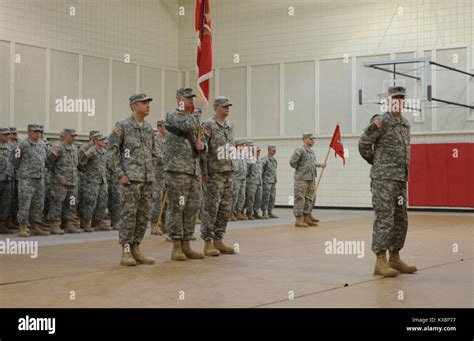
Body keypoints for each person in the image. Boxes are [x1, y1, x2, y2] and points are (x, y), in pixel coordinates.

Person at [358, 86, 417, 277]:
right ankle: (380, 261)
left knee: (400, 219)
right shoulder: (381, 121)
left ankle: (395, 257)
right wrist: (376, 162)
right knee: (384, 218)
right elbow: (364, 143)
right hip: (383, 179)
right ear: (390, 101)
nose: (399, 102)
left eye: (402, 99)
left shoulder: (405, 124)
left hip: (400, 179)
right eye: (395, 99)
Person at [108, 93, 156, 266]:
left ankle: (136, 248)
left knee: (143, 216)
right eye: (144, 103)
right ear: (134, 106)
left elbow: (154, 153)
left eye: (148, 102)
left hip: (147, 180)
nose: (148, 105)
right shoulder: (122, 126)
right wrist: (120, 174)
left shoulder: (149, 128)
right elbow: (111, 152)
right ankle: (126, 251)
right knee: (129, 216)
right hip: (130, 180)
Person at [164, 88, 206, 261]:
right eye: (188, 98)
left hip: (192, 170)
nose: (191, 101)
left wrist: (203, 147)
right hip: (177, 170)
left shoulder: (194, 119)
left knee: (191, 209)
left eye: (192, 98)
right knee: (177, 208)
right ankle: (176, 246)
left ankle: (187, 244)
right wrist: (199, 110)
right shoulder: (173, 116)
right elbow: (187, 124)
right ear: (179, 99)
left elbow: (200, 139)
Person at [200, 96, 236, 256]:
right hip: (214, 173)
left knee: (225, 208)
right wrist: (204, 171)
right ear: (216, 108)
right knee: (211, 208)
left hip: (228, 171)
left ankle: (218, 239)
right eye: (224, 106)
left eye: (228, 106)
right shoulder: (209, 125)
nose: (227, 108)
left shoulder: (229, 125)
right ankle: (208, 242)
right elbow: (203, 149)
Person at [12, 124, 49, 237]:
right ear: (28, 132)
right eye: (35, 131)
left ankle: (35, 226)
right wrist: (24, 172)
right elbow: (15, 161)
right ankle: (23, 226)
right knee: (25, 203)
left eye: (39, 132)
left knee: (38, 203)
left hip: (40, 178)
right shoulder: (22, 144)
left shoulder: (42, 145)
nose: (37, 134)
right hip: (26, 179)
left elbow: (45, 160)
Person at [47, 128, 80, 234]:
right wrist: (57, 175)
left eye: (75, 136)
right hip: (60, 182)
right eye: (72, 136)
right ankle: (55, 225)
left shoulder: (74, 148)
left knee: (72, 203)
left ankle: (69, 224)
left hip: (72, 182)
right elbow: (49, 162)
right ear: (65, 136)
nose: (74, 138)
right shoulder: (57, 147)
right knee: (57, 203)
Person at [289, 133, 325, 228]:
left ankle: (307, 217)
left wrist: (319, 165)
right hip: (301, 179)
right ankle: (299, 219)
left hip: (311, 178)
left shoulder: (311, 152)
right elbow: (292, 162)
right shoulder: (300, 149)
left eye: (313, 139)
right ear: (305, 139)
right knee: (300, 198)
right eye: (311, 139)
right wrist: (301, 170)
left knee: (310, 198)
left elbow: (311, 163)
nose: (313, 141)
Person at [78, 132, 110, 232]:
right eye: (100, 140)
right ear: (95, 140)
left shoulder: (104, 151)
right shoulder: (91, 151)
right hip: (92, 180)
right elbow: (81, 164)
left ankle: (98, 222)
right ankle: (86, 222)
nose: (102, 141)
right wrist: (88, 174)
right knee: (90, 202)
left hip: (102, 180)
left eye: (103, 139)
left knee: (102, 202)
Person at [150, 120, 167, 235]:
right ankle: (154, 224)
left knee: (166, 202)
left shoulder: (169, 140)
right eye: (165, 127)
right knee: (157, 200)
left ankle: (164, 224)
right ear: (159, 127)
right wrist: (171, 160)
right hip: (157, 175)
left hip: (167, 175)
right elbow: (159, 156)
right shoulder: (155, 140)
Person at [0, 128, 14, 234]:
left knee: (6, 203)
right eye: (4, 135)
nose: (7, 136)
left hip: (8, 178)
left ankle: (2, 225)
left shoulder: (11, 147)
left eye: (8, 135)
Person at [260, 144, 278, 219]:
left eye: (275, 150)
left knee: (272, 197)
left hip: (273, 181)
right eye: (273, 150)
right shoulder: (264, 160)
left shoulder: (274, 160)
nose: (274, 151)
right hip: (266, 182)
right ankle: (264, 212)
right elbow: (261, 171)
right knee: (266, 197)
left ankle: (270, 211)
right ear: (269, 150)